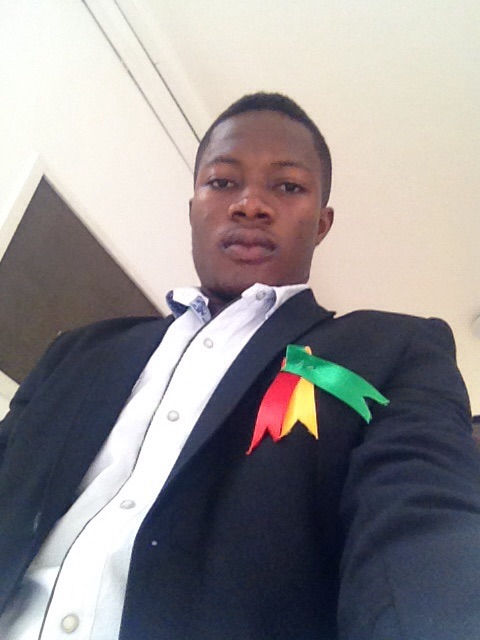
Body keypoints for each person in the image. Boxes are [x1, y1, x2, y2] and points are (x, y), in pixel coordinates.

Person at [1, 92, 480, 640]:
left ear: (321, 224)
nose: (251, 204)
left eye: (288, 186)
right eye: (223, 181)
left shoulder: (396, 348)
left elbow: (421, 517)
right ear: (193, 209)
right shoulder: (77, 352)